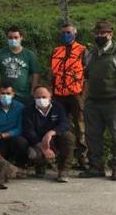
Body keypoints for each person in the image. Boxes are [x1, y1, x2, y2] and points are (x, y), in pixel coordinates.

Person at [80, 21, 116, 181]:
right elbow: (86, 78)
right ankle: (96, 167)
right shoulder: (90, 53)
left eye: (103, 33)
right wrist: (85, 99)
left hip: (113, 102)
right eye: (97, 33)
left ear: (111, 34)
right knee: (92, 136)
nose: (99, 36)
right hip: (93, 102)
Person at [49, 23, 88, 168]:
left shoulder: (83, 50)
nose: (66, 35)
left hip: (76, 94)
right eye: (63, 32)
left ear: (75, 33)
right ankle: (62, 158)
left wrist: (84, 95)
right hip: (59, 94)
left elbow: (87, 75)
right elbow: (52, 74)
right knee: (60, 126)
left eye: (69, 32)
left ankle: (82, 159)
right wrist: (51, 92)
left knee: (80, 126)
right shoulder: (56, 51)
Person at [23, 85, 75, 182]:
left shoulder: (58, 107)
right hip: (37, 142)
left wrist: (51, 133)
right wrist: (43, 147)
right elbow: (28, 131)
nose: (41, 100)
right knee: (33, 153)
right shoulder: (28, 110)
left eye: (44, 97)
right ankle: (40, 166)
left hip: (54, 139)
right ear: (33, 97)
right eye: (38, 97)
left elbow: (64, 124)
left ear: (50, 96)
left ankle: (63, 170)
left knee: (69, 137)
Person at [0, 26, 41, 104]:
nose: (13, 40)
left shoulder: (29, 55)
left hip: (24, 95)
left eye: (16, 37)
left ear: (21, 38)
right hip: (6, 94)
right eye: (10, 38)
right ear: (7, 38)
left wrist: (33, 93)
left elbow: (35, 75)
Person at [0, 85, 28, 167]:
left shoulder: (20, 107)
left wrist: (3, 135)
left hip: (13, 138)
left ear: (13, 94)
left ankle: (20, 166)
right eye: (3, 93)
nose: (5, 96)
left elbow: (20, 129)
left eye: (8, 93)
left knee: (22, 143)